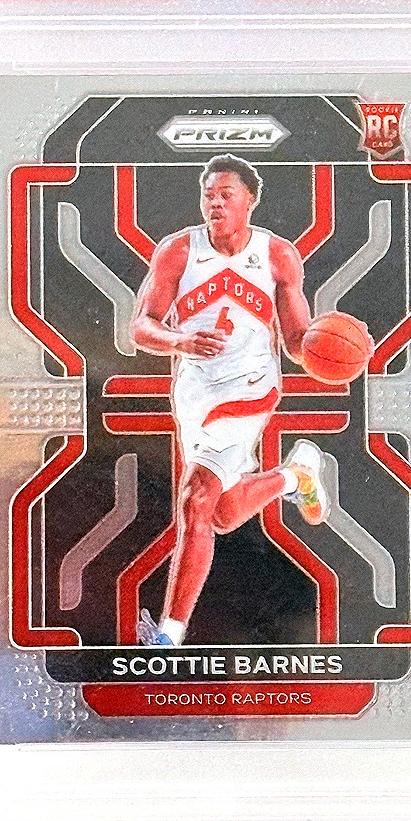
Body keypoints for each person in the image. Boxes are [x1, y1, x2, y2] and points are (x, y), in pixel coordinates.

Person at [131, 154, 332, 646]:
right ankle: (294, 476)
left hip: (250, 388)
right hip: (195, 392)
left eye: (226, 195)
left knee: (195, 500)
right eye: (209, 196)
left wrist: (332, 349)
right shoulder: (179, 251)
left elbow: (297, 340)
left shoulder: (277, 255)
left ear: (251, 200)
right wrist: (179, 340)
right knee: (219, 514)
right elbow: (142, 326)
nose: (215, 204)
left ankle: (168, 635)